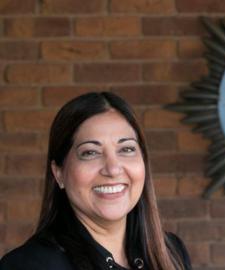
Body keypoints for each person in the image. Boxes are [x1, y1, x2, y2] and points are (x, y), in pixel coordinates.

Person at [0, 92, 191, 270]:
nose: (113, 168)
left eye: (126, 149)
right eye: (90, 152)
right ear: (58, 173)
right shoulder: (27, 265)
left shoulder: (171, 252)